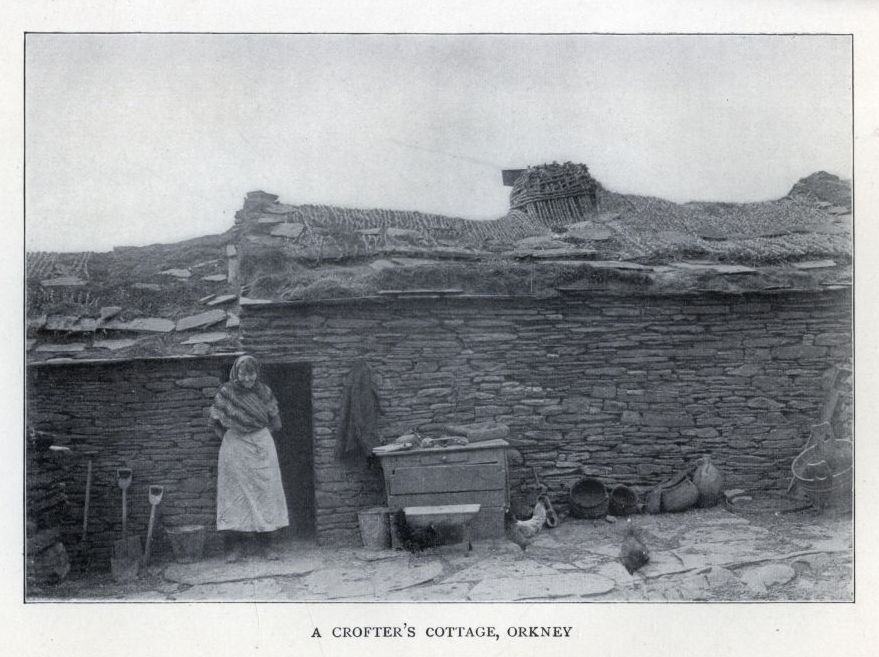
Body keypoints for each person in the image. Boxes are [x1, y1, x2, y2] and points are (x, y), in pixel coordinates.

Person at [210, 355, 289, 562]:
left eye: (251, 373)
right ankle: (235, 548)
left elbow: (277, 422)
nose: (248, 378)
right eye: (243, 373)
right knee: (234, 496)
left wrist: (260, 436)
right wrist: (232, 438)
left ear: (257, 373)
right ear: (236, 373)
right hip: (234, 447)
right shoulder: (226, 393)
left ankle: (268, 546)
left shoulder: (264, 392)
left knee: (266, 493)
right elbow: (215, 422)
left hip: (261, 447)